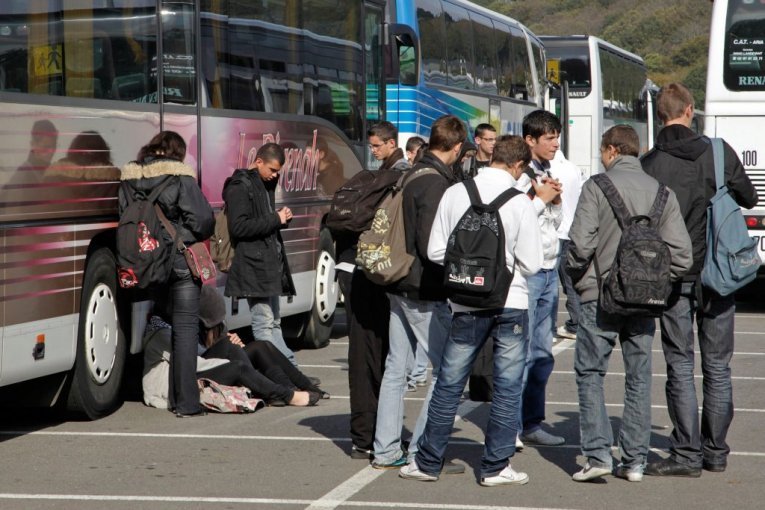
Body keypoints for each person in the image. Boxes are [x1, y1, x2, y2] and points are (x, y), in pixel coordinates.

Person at [400, 135, 549, 486]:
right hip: (510, 302)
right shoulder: (519, 202)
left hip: (464, 302)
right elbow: (532, 262)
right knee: (508, 386)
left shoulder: (457, 192)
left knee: (449, 383)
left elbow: (437, 252)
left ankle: (427, 462)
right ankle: (495, 466)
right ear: (517, 165)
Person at [641, 83, 758, 477]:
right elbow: (749, 198)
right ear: (690, 111)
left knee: (679, 364)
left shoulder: (650, 162)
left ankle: (686, 454)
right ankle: (716, 452)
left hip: (672, 277)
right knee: (718, 366)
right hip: (718, 274)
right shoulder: (718, 151)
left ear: (661, 115)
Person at [566, 124, 692, 482]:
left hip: (600, 296)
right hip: (646, 301)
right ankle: (634, 461)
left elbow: (580, 245)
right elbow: (682, 256)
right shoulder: (663, 193)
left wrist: (578, 278)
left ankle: (597, 454)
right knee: (638, 376)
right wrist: (656, 281)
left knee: (591, 373)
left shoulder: (596, 186)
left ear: (610, 150)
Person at [372, 115, 465, 472]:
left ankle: (385, 449)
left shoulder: (412, 172)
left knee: (396, 367)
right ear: (456, 148)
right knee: (444, 371)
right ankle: (422, 453)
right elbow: (431, 246)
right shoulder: (435, 184)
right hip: (422, 286)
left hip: (396, 279)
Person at [120, 130, 215, 417]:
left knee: (154, 320)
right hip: (177, 261)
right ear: (177, 153)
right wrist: (179, 239)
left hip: (143, 263)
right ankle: (185, 402)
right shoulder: (181, 177)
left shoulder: (129, 179)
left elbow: (124, 215)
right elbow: (203, 220)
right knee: (185, 328)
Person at [340, 121, 410, 460]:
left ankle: (363, 436)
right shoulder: (401, 178)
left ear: (392, 143)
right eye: (372, 146)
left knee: (363, 357)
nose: (373, 151)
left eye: (378, 146)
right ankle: (383, 435)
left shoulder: (377, 178)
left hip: (361, 269)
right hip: (387, 275)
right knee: (390, 359)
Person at [142, 286, 323, 410]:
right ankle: (286, 395)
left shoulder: (178, 327)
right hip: (174, 388)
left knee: (259, 347)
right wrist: (227, 358)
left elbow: (201, 352)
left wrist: (227, 344)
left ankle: (299, 385)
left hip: (192, 371)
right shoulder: (162, 334)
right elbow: (194, 364)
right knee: (237, 367)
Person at [223, 143, 298, 367]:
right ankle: (281, 372)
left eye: (278, 172)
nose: (274, 175)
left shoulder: (264, 184)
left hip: (267, 264)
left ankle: (289, 369)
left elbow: (261, 223)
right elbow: (239, 227)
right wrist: (276, 219)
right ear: (258, 162)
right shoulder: (240, 186)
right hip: (253, 265)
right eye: (272, 170)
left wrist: (281, 219)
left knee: (274, 322)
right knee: (264, 324)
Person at [517, 110, 564, 447]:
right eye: (548, 137)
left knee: (542, 352)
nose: (555, 143)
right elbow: (518, 219)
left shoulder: (547, 171)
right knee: (520, 350)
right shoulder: (519, 175)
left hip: (550, 268)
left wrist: (555, 200)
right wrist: (540, 198)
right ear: (530, 140)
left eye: (556, 136)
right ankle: (512, 424)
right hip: (529, 272)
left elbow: (553, 220)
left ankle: (532, 422)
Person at [549, 150, 583, 340]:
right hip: (570, 230)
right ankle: (576, 323)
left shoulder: (545, 169)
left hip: (553, 229)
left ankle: (549, 328)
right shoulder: (574, 169)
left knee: (549, 281)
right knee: (570, 281)